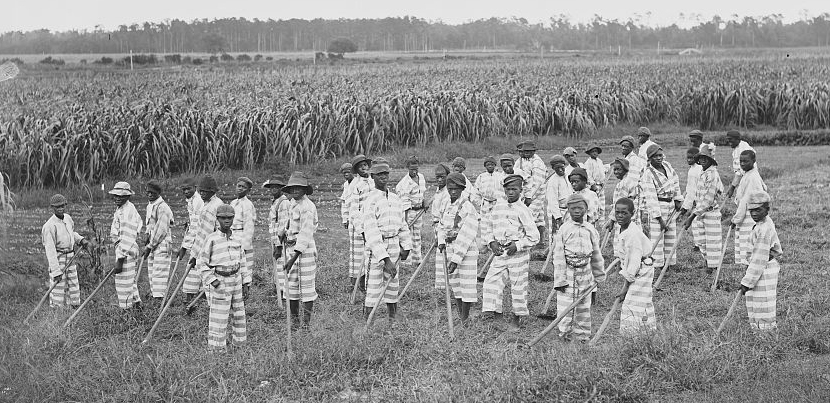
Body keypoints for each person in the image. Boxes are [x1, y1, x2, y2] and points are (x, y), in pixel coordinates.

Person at [482, 174, 540, 330]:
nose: (511, 192)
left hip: (518, 255)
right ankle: (497, 316)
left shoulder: (523, 210)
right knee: (491, 282)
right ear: (504, 190)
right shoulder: (498, 207)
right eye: (508, 189)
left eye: (514, 189)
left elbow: (535, 236)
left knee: (518, 285)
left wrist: (519, 245)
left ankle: (516, 319)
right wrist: (491, 242)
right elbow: (488, 228)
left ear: (521, 190)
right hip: (500, 252)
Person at [552, 193, 605, 342]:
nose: (577, 211)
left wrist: (599, 274)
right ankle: (564, 334)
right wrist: (560, 280)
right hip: (568, 272)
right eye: (573, 208)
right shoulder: (564, 230)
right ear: (568, 210)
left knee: (584, 306)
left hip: (586, 273)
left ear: (586, 209)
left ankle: (582, 335)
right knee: (565, 307)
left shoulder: (590, 229)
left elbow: (596, 254)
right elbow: (558, 257)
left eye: (580, 208)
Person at [362, 162, 412, 320]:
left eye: (386, 173)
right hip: (376, 249)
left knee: (392, 284)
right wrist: (385, 259)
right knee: (373, 286)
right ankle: (368, 322)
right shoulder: (370, 200)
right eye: (379, 174)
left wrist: (406, 246)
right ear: (373, 177)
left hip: (394, 244)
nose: (383, 177)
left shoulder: (396, 198)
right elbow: (371, 231)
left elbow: (402, 224)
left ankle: (392, 320)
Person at [198, 204, 250, 351]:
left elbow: (243, 260)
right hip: (220, 280)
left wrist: (245, 283)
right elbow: (201, 262)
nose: (226, 221)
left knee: (239, 313)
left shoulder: (237, 239)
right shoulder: (212, 239)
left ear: (233, 219)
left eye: (229, 218)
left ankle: (239, 345)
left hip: (236, 279)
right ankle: (216, 349)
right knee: (219, 316)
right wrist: (212, 280)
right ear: (217, 219)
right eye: (223, 218)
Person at [437, 173, 479, 324]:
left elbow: (467, 234)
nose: (453, 192)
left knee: (466, 283)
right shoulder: (446, 204)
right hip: (450, 247)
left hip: (465, 249)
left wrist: (456, 259)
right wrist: (441, 240)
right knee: (455, 283)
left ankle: (465, 318)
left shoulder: (467, 207)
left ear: (462, 189)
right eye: (450, 188)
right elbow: (441, 225)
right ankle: (460, 313)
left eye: (456, 189)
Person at [739, 191, 782, 331]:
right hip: (759, 267)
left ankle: (765, 335)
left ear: (767, 209)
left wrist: (747, 282)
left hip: (764, 269)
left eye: (758, 210)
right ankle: (757, 330)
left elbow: (759, 258)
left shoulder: (764, 229)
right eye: (751, 211)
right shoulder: (763, 223)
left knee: (763, 302)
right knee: (755, 301)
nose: (754, 214)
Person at [612, 197, 656, 333]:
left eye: (624, 213)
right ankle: (647, 331)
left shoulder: (632, 234)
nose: (620, 216)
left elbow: (634, 262)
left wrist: (625, 287)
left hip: (641, 269)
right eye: (617, 212)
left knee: (631, 302)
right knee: (642, 300)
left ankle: (630, 335)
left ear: (632, 213)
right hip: (638, 266)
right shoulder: (623, 229)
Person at [281, 172, 319, 328]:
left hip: (304, 251)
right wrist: (283, 232)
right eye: (293, 188)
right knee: (291, 287)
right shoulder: (292, 203)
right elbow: (289, 223)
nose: (295, 190)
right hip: (291, 247)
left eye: (299, 188)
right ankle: (295, 321)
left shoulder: (307, 207)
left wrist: (292, 259)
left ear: (305, 189)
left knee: (307, 287)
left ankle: (306, 325)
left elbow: (305, 233)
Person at [41, 194, 92, 308]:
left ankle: (73, 309)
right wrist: (55, 271)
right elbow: (50, 250)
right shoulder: (49, 226)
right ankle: (56, 314)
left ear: (65, 205)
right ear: (52, 208)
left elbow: (71, 233)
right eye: (57, 207)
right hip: (59, 258)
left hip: (71, 257)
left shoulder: (68, 218)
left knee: (73, 285)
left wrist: (80, 239)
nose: (60, 209)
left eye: (62, 206)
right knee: (58, 287)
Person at [639, 145, 683, 269]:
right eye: (655, 156)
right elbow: (650, 197)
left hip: (670, 205)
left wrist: (677, 199)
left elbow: (675, 182)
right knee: (658, 236)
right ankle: (657, 265)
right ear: (650, 158)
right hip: (658, 206)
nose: (659, 158)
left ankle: (669, 263)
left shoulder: (667, 166)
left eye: (660, 155)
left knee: (671, 234)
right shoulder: (648, 173)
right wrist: (659, 219)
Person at [683, 146, 724, 273]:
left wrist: (691, 216)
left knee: (712, 242)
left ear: (711, 160)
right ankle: (707, 262)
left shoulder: (712, 174)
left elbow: (708, 199)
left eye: (706, 158)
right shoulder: (702, 172)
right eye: (701, 158)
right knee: (701, 240)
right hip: (699, 212)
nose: (703, 160)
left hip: (710, 212)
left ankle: (713, 268)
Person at [185, 175, 224, 307]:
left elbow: (204, 235)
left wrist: (195, 255)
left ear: (212, 191)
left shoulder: (210, 208)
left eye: (205, 191)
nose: (202, 194)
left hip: (211, 247)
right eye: (200, 191)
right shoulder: (216, 203)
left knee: (209, 275)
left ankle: (212, 306)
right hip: (219, 245)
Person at [108, 181, 143, 309]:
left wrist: (120, 259)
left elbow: (128, 236)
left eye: (121, 196)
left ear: (127, 196)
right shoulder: (123, 208)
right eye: (116, 195)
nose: (117, 198)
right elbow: (139, 223)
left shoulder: (128, 211)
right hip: (126, 247)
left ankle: (126, 311)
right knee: (130, 281)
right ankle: (137, 306)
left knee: (123, 282)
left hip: (126, 249)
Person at [731, 150, 767, 265]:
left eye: (746, 161)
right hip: (748, 214)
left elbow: (745, 201)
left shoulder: (752, 177)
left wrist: (736, 219)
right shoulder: (749, 174)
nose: (742, 164)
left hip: (749, 216)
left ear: (753, 161)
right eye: (741, 161)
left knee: (748, 245)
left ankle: (749, 272)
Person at [141, 180, 174, 302]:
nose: (150, 195)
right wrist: (147, 239)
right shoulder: (150, 205)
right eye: (148, 192)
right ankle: (154, 295)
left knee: (159, 272)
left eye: (153, 193)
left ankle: (159, 299)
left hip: (162, 243)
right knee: (151, 271)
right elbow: (150, 226)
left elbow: (161, 230)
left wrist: (150, 245)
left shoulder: (163, 207)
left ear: (159, 193)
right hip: (152, 243)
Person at [605, 157, 642, 256]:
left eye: (619, 169)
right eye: (615, 169)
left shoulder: (624, 183)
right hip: (630, 215)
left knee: (623, 240)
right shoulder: (627, 181)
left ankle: (622, 264)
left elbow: (619, 203)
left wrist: (612, 220)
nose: (616, 172)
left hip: (624, 216)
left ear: (625, 170)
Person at [347, 154, 374, 290]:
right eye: (360, 166)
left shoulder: (372, 181)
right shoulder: (355, 185)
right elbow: (353, 210)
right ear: (356, 170)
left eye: (365, 165)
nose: (364, 168)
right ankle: (356, 284)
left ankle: (367, 283)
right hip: (358, 224)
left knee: (369, 253)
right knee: (358, 256)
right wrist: (361, 229)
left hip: (371, 222)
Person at [395, 156, 427, 267]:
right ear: (407, 168)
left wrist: (424, 203)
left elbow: (423, 193)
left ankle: (417, 260)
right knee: (407, 237)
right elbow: (404, 203)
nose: (414, 171)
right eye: (412, 169)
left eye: (416, 169)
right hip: (409, 212)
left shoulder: (421, 177)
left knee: (417, 236)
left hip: (419, 212)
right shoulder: (404, 183)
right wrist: (405, 220)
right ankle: (406, 263)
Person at [515, 141, 548, 246]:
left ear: (534, 151)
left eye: (530, 151)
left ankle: (532, 240)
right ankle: (539, 241)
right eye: (525, 151)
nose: (527, 153)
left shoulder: (537, 162)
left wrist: (530, 196)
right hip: (525, 192)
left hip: (537, 193)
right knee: (539, 217)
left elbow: (537, 182)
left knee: (529, 215)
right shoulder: (520, 160)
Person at [264, 177, 289, 294]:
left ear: (281, 189)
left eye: (276, 187)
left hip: (281, 241)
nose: (273, 189)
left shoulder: (283, 203)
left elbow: (283, 225)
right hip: (275, 240)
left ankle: (284, 293)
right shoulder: (275, 202)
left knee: (281, 264)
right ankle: (278, 290)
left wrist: (278, 246)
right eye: (271, 187)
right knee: (278, 265)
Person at [230, 177, 256, 280]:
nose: (240, 189)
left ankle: (246, 289)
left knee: (245, 267)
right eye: (239, 186)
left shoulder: (248, 205)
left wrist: (245, 246)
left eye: (244, 187)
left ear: (248, 191)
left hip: (241, 237)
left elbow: (249, 227)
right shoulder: (233, 203)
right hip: (232, 236)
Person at [431, 163, 452, 290]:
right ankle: (440, 286)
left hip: (443, 226)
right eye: (437, 177)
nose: (439, 179)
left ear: (448, 177)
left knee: (445, 253)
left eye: (442, 177)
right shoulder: (438, 191)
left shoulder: (448, 193)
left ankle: (445, 286)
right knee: (439, 255)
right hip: (436, 224)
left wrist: (440, 234)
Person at [680, 147, 704, 252]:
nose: (689, 160)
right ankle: (697, 244)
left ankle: (701, 244)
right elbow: (689, 188)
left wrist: (694, 199)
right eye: (687, 158)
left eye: (691, 158)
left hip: (699, 199)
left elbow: (697, 187)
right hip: (694, 199)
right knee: (694, 224)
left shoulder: (699, 169)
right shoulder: (691, 169)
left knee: (699, 223)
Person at [176, 177, 203, 267]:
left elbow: (196, 226)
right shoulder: (190, 201)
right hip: (197, 234)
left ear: (195, 187)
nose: (186, 192)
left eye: (188, 189)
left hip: (202, 235)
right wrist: (189, 222)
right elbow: (193, 221)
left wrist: (184, 248)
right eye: (184, 189)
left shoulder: (197, 201)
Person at [545, 155, 572, 235]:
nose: (560, 170)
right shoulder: (553, 181)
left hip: (567, 210)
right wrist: (558, 217)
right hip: (557, 212)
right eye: (557, 168)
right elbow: (552, 201)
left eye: (562, 167)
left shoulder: (567, 176)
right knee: (556, 235)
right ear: (553, 168)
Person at [725, 130, 756, 199]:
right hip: (745, 178)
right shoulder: (737, 147)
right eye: (728, 140)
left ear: (737, 139)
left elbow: (740, 172)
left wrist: (732, 187)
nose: (729, 142)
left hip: (749, 178)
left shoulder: (743, 150)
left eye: (730, 139)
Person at [584, 144, 608, 219]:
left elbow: (603, 170)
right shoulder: (588, 163)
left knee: (602, 205)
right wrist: (592, 185)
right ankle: (593, 220)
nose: (595, 153)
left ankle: (601, 221)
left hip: (601, 185)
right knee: (594, 205)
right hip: (594, 186)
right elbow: (588, 175)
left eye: (596, 151)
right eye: (593, 151)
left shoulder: (599, 161)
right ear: (589, 153)